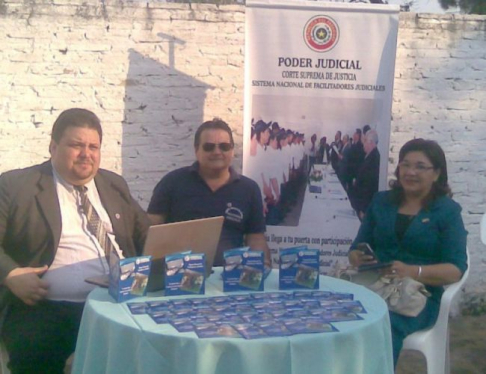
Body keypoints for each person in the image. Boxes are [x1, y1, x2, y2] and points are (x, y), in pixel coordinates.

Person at [0, 108, 149, 373]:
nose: (86, 154)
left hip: (116, 302)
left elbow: (145, 232)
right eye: (76, 145)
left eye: (94, 146)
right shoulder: (16, 185)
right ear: (53, 146)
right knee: (33, 357)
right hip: (45, 309)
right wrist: (10, 273)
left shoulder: (113, 184)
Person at [348, 138, 467, 367]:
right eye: (405, 164)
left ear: (436, 174)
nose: (410, 172)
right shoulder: (381, 201)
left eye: (420, 166)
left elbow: (455, 269)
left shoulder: (447, 212)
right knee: (340, 317)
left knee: (381, 325)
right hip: (373, 286)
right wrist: (356, 256)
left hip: (417, 296)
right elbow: (357, 247)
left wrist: (413, 271)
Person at [147, 119, 271, 267]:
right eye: (209, 147)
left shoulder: (248, 189)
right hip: (179, 277)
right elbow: (151, 230)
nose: (217, 152)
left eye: (224, 147)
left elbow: (255, 238)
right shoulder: (172, 182)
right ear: (196, 150)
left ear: (232, 150)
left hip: (229, 278)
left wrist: (263, 266)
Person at [349, 129, 380, 220]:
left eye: (365, 141)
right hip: (360, 203)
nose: (363, 144)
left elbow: (370, 186)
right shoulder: (369, 156)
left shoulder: (374, 159)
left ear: (371, 142)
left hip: (364, 207)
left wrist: (363, 209)